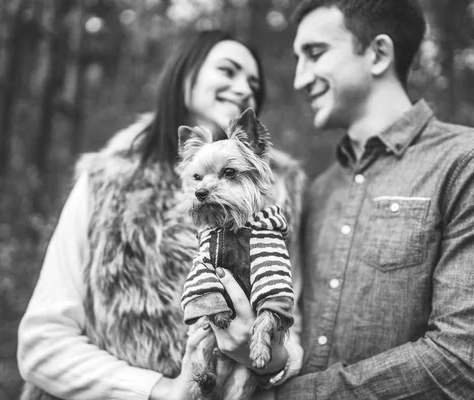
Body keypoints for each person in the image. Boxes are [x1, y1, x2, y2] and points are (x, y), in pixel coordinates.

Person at [211, 0, 474, 399]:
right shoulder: (317, 190)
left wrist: (289, 397)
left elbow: (460, 365)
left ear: (378, 53)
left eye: (315, 53)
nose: (299, 78)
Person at [17, 29, 307, 400]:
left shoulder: (280, 195)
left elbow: (291, 324)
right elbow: (43, 343)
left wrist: (266, 357)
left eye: (254, 83)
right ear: (185, 77)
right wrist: (158, 390)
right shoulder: (107, 182)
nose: (244, 88)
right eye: (228, 70)